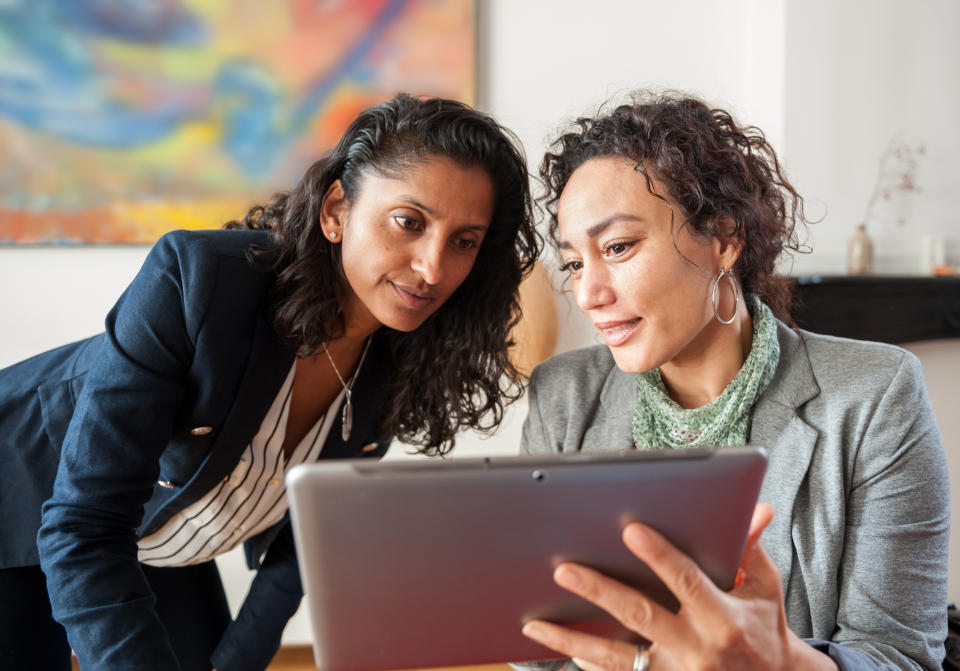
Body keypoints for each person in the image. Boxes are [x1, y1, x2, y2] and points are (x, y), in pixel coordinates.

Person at [0, 93, 540, 671]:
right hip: (26, 509)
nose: (433, 267)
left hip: (163, 541)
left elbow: (302, 545)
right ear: (336, 211)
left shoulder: (404, 353)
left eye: (464, 241)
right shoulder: (198, 282)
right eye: (409, 222)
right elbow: (83, 528)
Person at [516, 92, 949, 670]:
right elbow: (537, 653)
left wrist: (778, 663)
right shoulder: (563, 398)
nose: (589, 294)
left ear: (724, 240)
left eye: (618, 247)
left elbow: (902, 658)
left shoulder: (876, 395)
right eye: (574, 262)